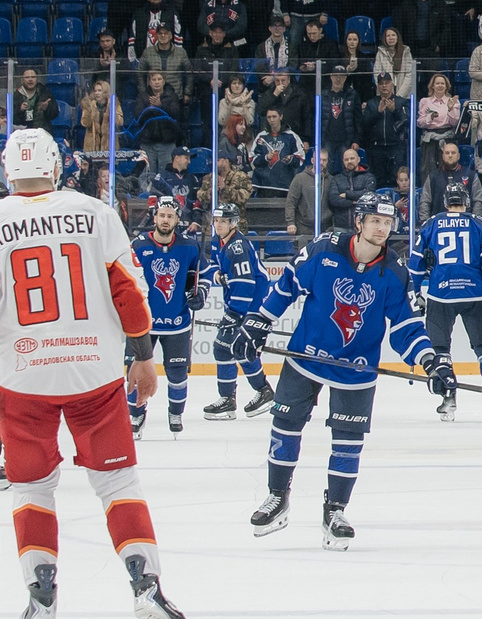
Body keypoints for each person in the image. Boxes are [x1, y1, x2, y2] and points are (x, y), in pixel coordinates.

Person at [0, 128, 184, 619]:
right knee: (117, 485)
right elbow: (130, 295)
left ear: (7, 169)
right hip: (93, 372)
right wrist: (143, 359)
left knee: (32, 487)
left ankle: (41, 592)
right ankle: (146, 586)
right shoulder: (96, 214)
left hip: (23, 376)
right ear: (57, 167)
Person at [247, 191, 448, 548]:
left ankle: (335, 510)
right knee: (285, 426)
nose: (382, 229)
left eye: (388, 223)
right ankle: (278, 496)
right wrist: (259, 320)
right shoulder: (325, 248)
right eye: (375, 221)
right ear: (359, 221)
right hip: (305, 358)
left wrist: (430, 361)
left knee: (348, 443)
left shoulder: (394, 272)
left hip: (356, 368)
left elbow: (405, 326)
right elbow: (289, 283)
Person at [409, 183, 482, 422]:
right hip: (474, 293)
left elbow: (415, 262)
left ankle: (448, 396)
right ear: (466, 202)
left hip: (440, 294)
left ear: (445, 202)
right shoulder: (479, 223)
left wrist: (416, 291)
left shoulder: (431, 223)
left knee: (440, 348)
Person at [127, 195, 201, 438]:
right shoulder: (138, 245)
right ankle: (136, 414)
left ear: (177, 219)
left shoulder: (189, 246)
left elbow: (203, 274)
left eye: (170, 216)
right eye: (162, 215)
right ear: (154, 217)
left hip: (177, 322)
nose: (166, 220)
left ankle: (176, 413)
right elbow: (127, 278)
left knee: (178, 374)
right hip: (143, 324)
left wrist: (199, 291)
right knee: (134, 370)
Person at [200, 202, 275, 421]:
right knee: (235, 348)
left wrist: (234, 314)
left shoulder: (237, 247)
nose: (218, 224)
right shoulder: (218, 240)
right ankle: (256, 392)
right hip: (240, 304)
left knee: (225, 347)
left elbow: (245, 283)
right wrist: (215, 274)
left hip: (252, 305)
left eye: (223, 221)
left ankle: (249, 394)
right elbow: (213, 264)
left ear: (233, 223)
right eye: (216, 220)